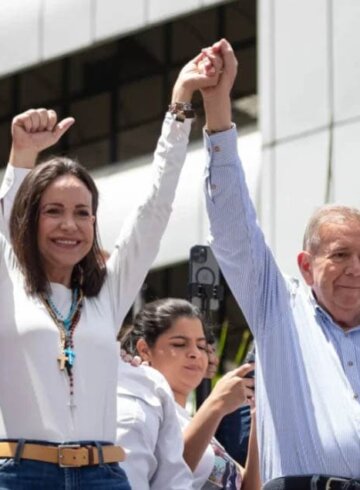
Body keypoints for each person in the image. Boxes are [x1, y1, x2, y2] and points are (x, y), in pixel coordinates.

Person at [0, 47, 222, 489]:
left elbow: (155, 208)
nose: (70, 226)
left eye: (83, 213)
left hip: (103, 476)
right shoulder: (8, 283)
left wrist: (180, 107)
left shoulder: (107, 295)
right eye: (53, 212)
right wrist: (21, 157)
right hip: (22, 476)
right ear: (30, 220)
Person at [201, 38, 360, 489]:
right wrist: (217, 109)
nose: (355, 268)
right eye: (341, 255)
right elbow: (234, 228)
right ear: (307, 266)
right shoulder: (279, 310)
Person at [122, 297, 260, 490]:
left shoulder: (192, 422)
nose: (195, 353)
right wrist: (216, 405)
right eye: (179, 344)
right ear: (144, 350)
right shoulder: (142, 411)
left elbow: (248, 487)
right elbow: (168, 476)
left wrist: (257, 416)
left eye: (201, 346)